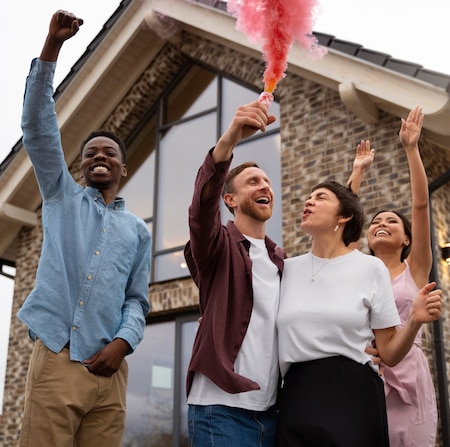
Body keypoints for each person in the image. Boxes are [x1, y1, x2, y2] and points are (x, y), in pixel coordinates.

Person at [17, 10, 152, 447]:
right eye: (91, 151)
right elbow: (38, 127)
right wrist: (52, 46)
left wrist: (124, 343)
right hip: (58, 358)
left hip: (110, 373)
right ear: (79, 165)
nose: (99, 156)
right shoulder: (61, 194)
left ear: (123, 168)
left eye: (109, 152)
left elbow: (136, 299)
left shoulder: (138, 231)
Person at [275, 180, 443, 446]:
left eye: (320, 197)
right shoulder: (285, 270)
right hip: (296, 396)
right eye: (309, 197)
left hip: (353, 394)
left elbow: (389, 352)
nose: (308, 201)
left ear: (343, 217)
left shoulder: (370, 268)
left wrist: (413, 321)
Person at [184, 100, 285, 446]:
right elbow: (201, 212)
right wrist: (228, 141)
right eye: (253, 181)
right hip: (219, 410)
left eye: (268, 182)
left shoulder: (282, 260)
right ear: (230, 199)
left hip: (274, 412)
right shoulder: (218, 245)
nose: (264, 187)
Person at [363, 106, 441, 446]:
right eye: (375, 221)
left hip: (408, 381)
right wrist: (356, 172)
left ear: (406, 239)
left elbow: (421, 205)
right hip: (367, 377)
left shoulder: (416, 268)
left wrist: (411, 148)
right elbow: (338, 228)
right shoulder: (358, 273)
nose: (381, 223)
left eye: (391, 221)